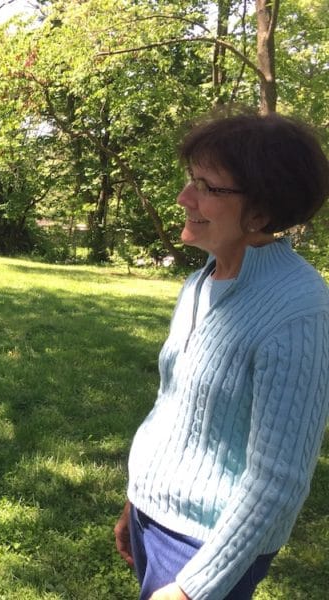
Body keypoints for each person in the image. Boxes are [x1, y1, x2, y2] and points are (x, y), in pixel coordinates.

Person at [114, 111, 329, 600]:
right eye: (191, 180)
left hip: (206, 544)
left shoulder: (298, 309)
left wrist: (193, 588)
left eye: (207, 187)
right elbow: (174, 409)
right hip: (155, 520)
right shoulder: (201, 282)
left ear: (261, 210)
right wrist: (137, 500)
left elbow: (279, 482)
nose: (184, 198)